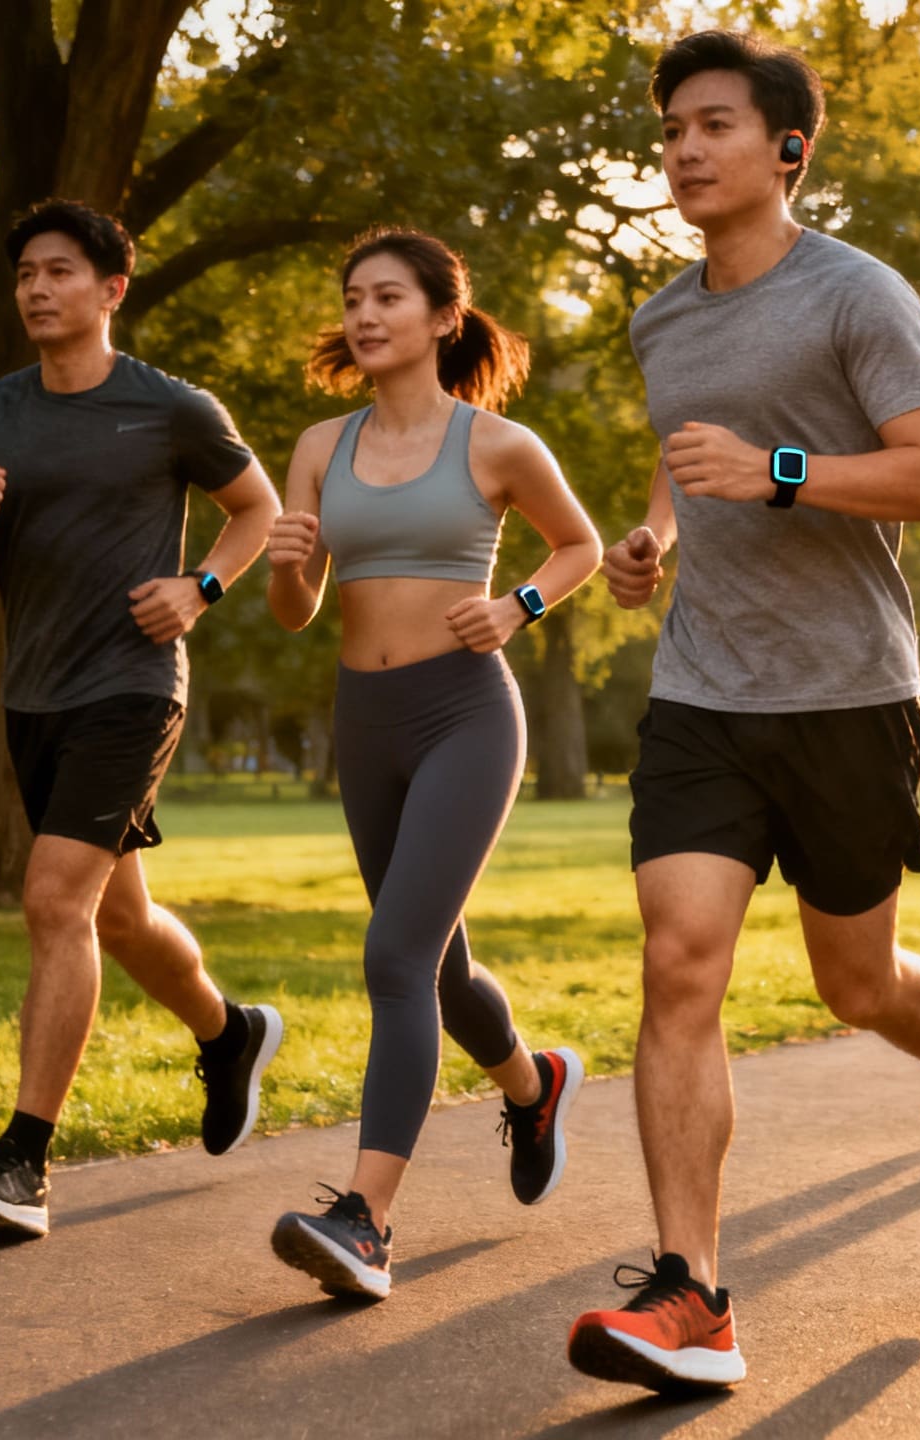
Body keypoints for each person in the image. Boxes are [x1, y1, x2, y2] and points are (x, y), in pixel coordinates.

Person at [566, 30, 920, 1393]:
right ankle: (692, 1294)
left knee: (856, 980)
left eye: (713, 126)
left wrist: (775, 472)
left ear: (787, 149)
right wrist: (655, 541)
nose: (685, 151)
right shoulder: (662, 315)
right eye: (669, 132)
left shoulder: (855, 295)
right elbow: (676, 459)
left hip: (848, 691)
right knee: (680, 958)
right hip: (706, 687)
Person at [0, 200, 285, 1239]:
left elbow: (253, 509)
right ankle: (229, 1032)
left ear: (111, 289)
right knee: (116, 919)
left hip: (131, 686)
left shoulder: (169, 408)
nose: (37, 288)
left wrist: (199, 590)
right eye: (26, 273)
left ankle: (22, 1162)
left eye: (60, 271)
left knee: (51, 904)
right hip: (33, 694)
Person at [260, 228, 603, 1300]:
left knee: (394, 956)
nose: (365, 316)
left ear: (442, 318)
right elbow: (296, 610)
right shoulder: (321, 443)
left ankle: (365, 1220)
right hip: (365, 717)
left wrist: (517, 605)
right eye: (354, 299)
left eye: (388, 299)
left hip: (464, 715)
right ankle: (531, 1082)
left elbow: (578, 545)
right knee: (439, 970)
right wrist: (281, 567)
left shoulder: (497, 445)